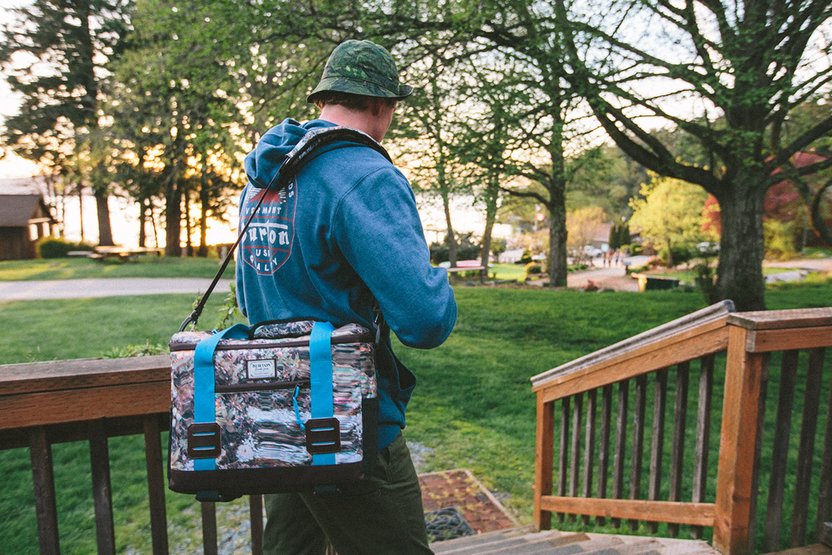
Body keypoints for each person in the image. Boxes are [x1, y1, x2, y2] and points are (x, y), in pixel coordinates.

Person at [235, 39, 457, 554]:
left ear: (326, 99)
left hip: (276, 412)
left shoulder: (266, 177)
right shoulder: (367, 176)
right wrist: (436, 279)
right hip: (347, 416)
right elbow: (426, 322)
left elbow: (254, 297)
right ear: (381, 104)